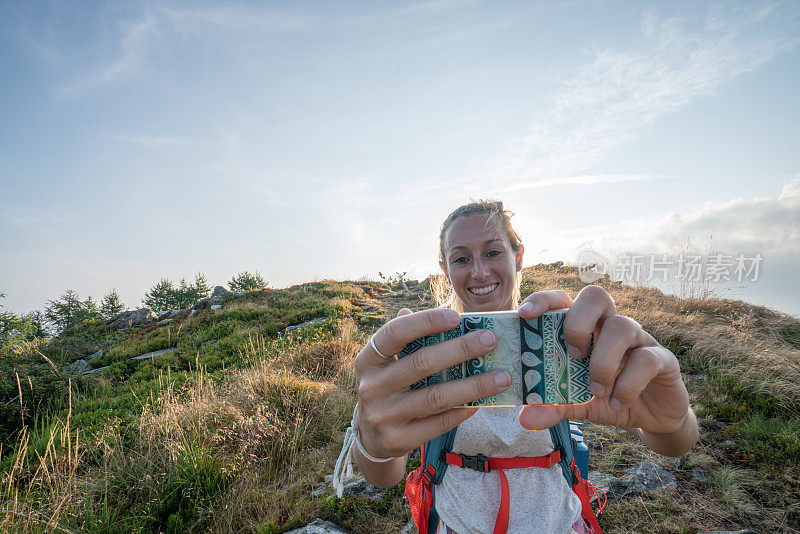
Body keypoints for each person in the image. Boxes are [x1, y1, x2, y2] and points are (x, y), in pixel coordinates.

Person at [350, 200, 698, 534]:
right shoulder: (422, 352)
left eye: (493, 252)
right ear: (445, 268)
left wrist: (674, 420)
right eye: (461, 259)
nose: (480, 271)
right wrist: (372, 441)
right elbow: (383, 474)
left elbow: (675, 442)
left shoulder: (568, 338)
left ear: (518, 257)